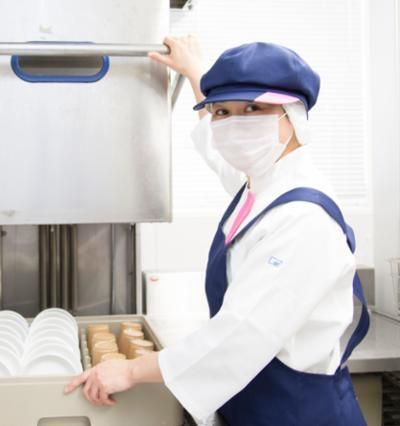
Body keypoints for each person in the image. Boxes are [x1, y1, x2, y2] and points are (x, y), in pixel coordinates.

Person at [64, 36, 370, 425]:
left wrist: (131, 370)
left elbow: (241, 335)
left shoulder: (303, 218)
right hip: (260, 404)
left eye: (253, 108)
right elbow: (218, 151)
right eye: (222, 111)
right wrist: (196, 73)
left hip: (301, 412)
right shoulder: (262, 186)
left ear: (294, 115)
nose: (234, 124)